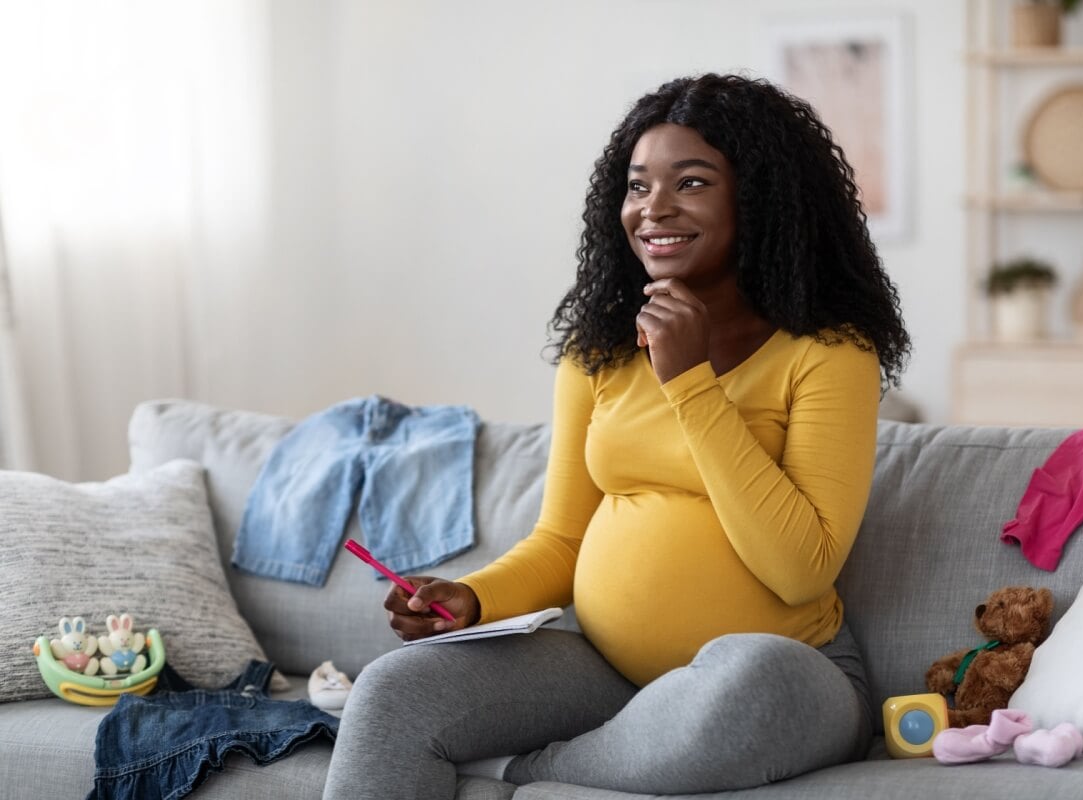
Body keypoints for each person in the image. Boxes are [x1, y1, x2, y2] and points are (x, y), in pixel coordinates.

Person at [322, 72, 910, 800]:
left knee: (747, 682)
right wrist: (471, 598)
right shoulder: (599, 350)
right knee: (391, 693)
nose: (653, 208)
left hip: (786, 670)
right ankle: (621, 747)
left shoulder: (826, 353)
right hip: (605, 671)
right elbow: (562, 542)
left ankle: (527, 770)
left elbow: (801, 569)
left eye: (691, 183)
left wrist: (690, 382)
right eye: (637, 187)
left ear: (758, 201)